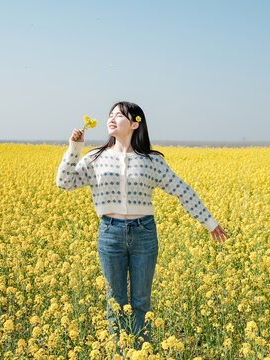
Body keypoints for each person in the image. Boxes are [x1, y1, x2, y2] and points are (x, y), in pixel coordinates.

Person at [56, 101, 229, 351]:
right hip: (110, 234)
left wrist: (210, 223)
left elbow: (182, 191)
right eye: (110, 115)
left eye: (120, 115)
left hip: (144, 234)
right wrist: (75, 147)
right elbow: (64, 182)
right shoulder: (95, 158)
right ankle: (122, 353)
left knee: (140, 302)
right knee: (115, 302)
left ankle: (141, 353)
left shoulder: (152, 161)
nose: (112, 118)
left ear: (135, 124)